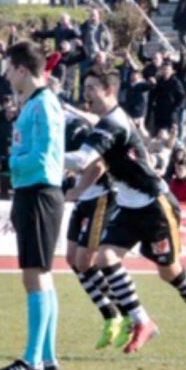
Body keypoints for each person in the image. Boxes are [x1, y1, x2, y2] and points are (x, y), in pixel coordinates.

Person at [65, 69, 186, 357]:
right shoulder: (106, 122)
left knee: (169, 272)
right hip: (129, 205)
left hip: (155, 205)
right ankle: (142, 321)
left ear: (110, 90)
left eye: (93, 87)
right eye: (85, 87)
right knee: (106, 257)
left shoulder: (115, 124)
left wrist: (42, 157)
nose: (87, 93)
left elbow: (83, 159)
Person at [0, 42, 65, 370]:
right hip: (34, 194)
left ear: (23, 70)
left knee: (35, 276)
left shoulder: (43, 106)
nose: (7, 76)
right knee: (43, 275)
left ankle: (32, 360)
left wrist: (0, 165)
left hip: (38, 194)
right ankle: (47, 355)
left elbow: (41, 160)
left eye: (10, 69)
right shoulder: (36, 105)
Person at [60, 110, 124, 349]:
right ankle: (111, 312)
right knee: (72, 259)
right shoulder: (59, 128)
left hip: (100, 197)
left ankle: (125, 312)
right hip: (85, 199)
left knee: (86, 261)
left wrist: (76, 190)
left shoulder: (76, 129)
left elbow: (98, 165)